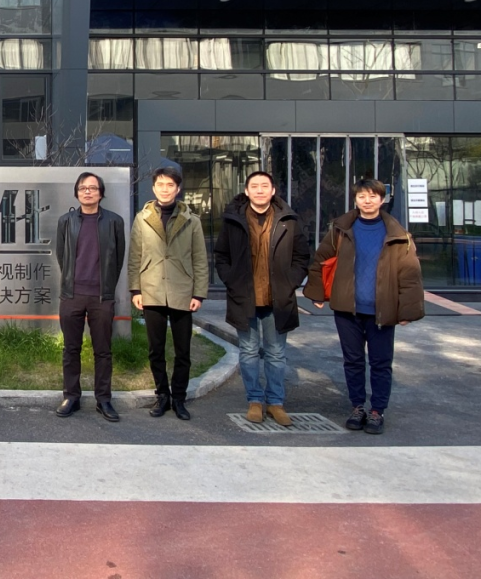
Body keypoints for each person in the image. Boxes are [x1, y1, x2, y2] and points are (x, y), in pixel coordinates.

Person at [304, 179, 424, 435]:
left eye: (372, 196)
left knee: (381, 362)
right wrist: (316, 292)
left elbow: (410, 275)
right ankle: (357, 406)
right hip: (347, 309)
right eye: (361, 196)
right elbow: (321, 259)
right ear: (355, 199)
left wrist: (407, 311)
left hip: (382, 309)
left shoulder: (398, 235)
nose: (367, 201)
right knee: (353, 361)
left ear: (382, 199)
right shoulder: (340, 229)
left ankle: (377, 410)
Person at [215, 171, 310, 427]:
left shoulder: (288, 220)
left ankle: (276, 402)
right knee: (248, 352)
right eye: (254, 186)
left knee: (276, 353)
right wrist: (231, 280)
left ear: (273, 190)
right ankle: (254, 400)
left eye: (264, 186)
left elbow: (302, 256)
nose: (259, 190)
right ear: (246, 191)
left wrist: (290, 282)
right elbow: (221, 255)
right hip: (244, 296)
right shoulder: (234, 220)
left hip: (277, 298)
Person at [128, 167, 208, 421]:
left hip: (182, 291)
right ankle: (162, 394)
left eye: (170, 185)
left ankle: (179, 398)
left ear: (178, 189)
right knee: (156, 349)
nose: (165, 189)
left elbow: (200, 259)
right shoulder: (142, 219)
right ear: (153, 188)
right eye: (160, 184)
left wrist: (199, 293)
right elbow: (135, 256)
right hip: (151, 290)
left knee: (183, 351)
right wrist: (135, 289)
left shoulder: (192, 221)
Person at [53, 171, 126, 422]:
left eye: (93, 188)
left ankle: (103, 399)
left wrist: (107, 288)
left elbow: (118, 259)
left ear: (101, 193)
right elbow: (61, 255)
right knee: (70, 349)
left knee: (103, 350)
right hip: (72, 295)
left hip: (101, 297)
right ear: (76, 193)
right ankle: (71, 396)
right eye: (83, 188)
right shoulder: (66, 221)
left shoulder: (114, 221)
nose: (87, 192)